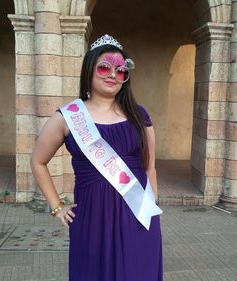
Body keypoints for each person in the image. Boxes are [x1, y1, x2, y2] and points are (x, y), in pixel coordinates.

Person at [30, 34, 163, 281]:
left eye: (121, 71)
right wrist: (57, 207)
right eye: (105, 67)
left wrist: (153, 209)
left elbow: (150, 167)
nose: (113, 75)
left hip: (138, 215)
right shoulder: (68, 117)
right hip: (92, 219)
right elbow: (38, 161)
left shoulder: (139, 115)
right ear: (89, 69)